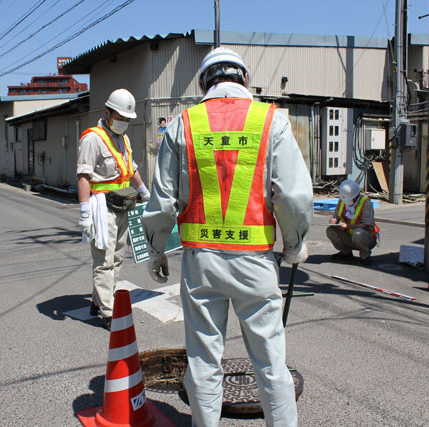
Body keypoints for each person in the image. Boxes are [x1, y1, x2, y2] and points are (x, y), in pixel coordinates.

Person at [142, 47, 312, 426]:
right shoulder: (271, 121)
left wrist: (156, 250)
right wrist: (294, 243)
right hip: (255, 261)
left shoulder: (183, 124)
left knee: (203, 364)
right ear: (244, 79)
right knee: (270, 363)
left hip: (201, 261)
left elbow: (162, 200)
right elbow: (292, 195)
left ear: (204, 82)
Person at [76, 88, 150, 330]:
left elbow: (132, 169)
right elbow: (84, 176)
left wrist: (144, 192)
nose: (124, 123)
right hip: (101, 205)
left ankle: (99, 301)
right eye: (120, 118)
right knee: (104, 259)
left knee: (117, 257)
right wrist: (85, 212)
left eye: (127, 120)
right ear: (107, 112)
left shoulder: (124, 138)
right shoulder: (92, 138)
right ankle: (108, 311)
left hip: (123, 203)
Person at [326, 179, 379, 265]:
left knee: (358, 233)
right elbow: (336, 215)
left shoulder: (365, 203)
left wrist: (348, 226)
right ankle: (345, 253)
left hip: (366, 238)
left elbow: (367, 225)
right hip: (349, 236)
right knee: (331, 230)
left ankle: (365, 256)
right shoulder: (342, 200)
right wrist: (334, 221)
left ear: (357, 195)